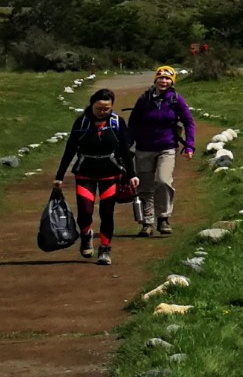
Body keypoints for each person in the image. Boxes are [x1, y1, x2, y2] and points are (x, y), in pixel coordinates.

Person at [53, 88, 137, 266]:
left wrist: (132, 174)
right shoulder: (81, 123)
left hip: (110, 174)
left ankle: (105, 249)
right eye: (99, 108)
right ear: (91, 105)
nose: (103, 112)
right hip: (85, 174)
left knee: (107, 213)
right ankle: (86, 235)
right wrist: (59, 175)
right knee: (85, 212)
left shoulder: (117, 122)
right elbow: (70, 150)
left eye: (107, 109)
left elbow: (125, 150)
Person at [127, 65, 196, 236]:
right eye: (161, 77)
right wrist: (127, 146)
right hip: (144, 148)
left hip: (167, 147)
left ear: (172, 81)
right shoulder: (144, 99)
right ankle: (147, 222)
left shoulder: (176, 99)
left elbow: (189, 122)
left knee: (163, 181)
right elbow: (133, 123)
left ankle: (163, 218)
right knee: (145, 186)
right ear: (155, 79)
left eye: (167, 78)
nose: (163, 81)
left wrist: (189, 145)